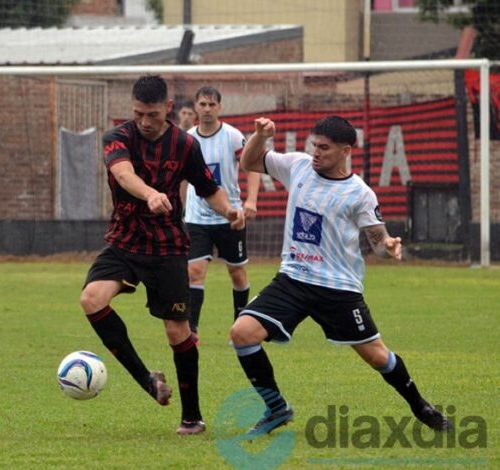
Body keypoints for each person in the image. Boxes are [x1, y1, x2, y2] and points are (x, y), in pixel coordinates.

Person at [230, 115, 452, 436]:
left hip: (338, 288)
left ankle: (421, 407)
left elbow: (377, 241)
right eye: (314, 145)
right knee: (242, 333)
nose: (316, 153)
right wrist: (260, 136)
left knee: (378, 357)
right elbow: (249, 162)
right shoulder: (298, 166)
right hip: (293, 279)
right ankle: (276, 407)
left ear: (345, 151)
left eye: (324, 148)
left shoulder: (360, 193)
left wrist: (389, 246)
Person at [80, 75, 245, 435]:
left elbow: (209, 188)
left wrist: (229, 210)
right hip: (125, 240)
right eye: (138, 113)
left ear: (168, 108)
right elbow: (123, 175)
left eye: (152, 114)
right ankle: (147, 380)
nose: (144, 121)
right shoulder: (118, 138)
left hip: (168, 246)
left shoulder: (184, 144)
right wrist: (150, 193)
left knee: (177, 331)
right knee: (92, 299)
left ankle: (192, 417)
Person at [184, 86, 260, 334]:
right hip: (197, 218)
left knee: (237, 273)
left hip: (231, 217)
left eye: (211, 105)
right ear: (196, 107)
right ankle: (192, 331)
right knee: (194, 272)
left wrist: (251, 201)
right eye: (202, 104)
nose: (207, 109)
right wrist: (180, 208)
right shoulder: (187, 139)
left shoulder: (233, 136)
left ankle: (240, 325)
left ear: (220, 107)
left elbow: (253, 167)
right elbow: (181, 178)